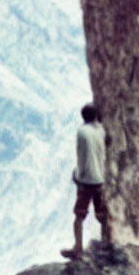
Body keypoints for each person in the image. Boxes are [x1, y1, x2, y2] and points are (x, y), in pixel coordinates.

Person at [61, 103, 111, 260]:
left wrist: (77, 175)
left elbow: (82, 157)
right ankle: (108, 244)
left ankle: (78, 248)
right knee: (102, 214)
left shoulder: (81, 132)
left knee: (79, 215)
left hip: (86, 180)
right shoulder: (101, 131)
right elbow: (107, 142)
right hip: (100, 179)